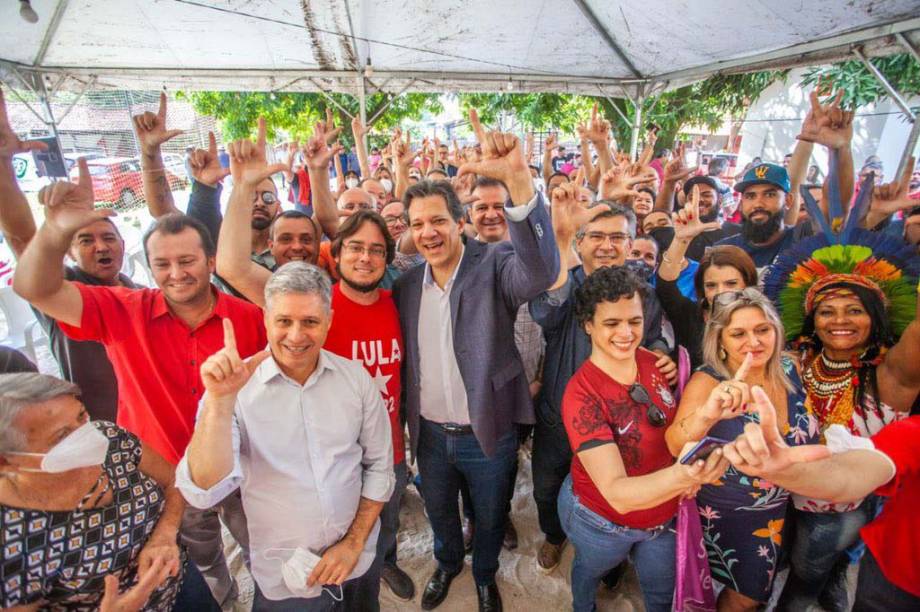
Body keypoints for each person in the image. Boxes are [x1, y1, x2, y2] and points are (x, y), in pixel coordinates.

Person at [12, 159, 266, 608]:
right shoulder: (121, 309)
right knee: (201, 560)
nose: (176, 273)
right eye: (162, 264)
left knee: (260, 543)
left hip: (246, 465)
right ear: (148, 266)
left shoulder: (249, 317)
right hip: (168, 473)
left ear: (211, 261)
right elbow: (35, 287)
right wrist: (55, 231)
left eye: (187, 261)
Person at [392, 109, 559, 612]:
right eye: (417, 224)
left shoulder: (495, 264)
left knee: (490, 515)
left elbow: (543, 269)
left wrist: (520, 183)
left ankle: (484, 576)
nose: (428, 232)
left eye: (438, 220)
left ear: (460, 222)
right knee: (441, 515)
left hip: (488, 431)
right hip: (428, 431)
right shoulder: (404, 285)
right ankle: (447, 566)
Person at [176, 263, 394, 611]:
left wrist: (353, 543)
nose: (296, 336)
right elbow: (203, 489)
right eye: (284, 321)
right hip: (286, 572)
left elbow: (380, 467)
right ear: (266, 320)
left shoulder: (356, 380)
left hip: (357, 558)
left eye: (310, 322)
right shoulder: (235, 391)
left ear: (329, 321)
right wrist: (218, 402)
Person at [762, 218, 920, 611]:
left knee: (803, 579)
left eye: (854, 310)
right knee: (774, 563)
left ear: (876, 317)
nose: (839, 321)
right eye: (827, 311)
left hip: (835, 510)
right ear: (812, 319)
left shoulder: (889, 374)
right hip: (778, 495)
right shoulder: (796, 358)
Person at [559, 266, 728, 612]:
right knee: (589, 571)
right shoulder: (581, 395)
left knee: (663, 595)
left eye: (634, 321)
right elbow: (618, 494)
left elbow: (671, 429)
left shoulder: (652, 362)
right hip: (603, 522)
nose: (626, 333)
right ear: (587, 325)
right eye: (611, 323)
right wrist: (686, 477)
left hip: (665, 517)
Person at [529, 187, 674, 574]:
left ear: (631, 242)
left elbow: (657, 332)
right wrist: (560, 243)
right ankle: (555, 536)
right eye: (596, 235)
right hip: (559, 418)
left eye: (617, 236)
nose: (607, 245)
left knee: (614, 490)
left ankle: (607, 555)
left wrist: (663, 354)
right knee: (546, 486)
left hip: (622, 427)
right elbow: (545, 313)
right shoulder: (565, 280)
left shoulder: (643, 290)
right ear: (580, 239)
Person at [664, 288, 819, 611]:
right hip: (726, 513)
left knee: (762, 585)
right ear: (720, 341)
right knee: (748, 596)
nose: (754, 341)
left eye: (762, 329)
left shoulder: (791, 369)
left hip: (782, 508)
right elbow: (675, 443)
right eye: (739, 333)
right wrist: (709, 412)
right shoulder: (709, 381)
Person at [0, 87, 135, 422]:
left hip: (144, 425)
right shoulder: (63, 291)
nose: (101, 246)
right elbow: (22, 240)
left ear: (122, 244)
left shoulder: (135, 291)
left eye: (108, 238)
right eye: (86, 240)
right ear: (71, 253)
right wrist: (4, 164)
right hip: (96, 427)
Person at [721, 390, 920, 612]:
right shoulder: (914, 433)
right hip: (896, 578)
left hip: (839, 519)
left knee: (809, 573)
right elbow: (849, 473)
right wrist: (784, 471)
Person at [0, 373, 185, 610]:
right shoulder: (10, 538)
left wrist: (165, 533)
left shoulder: (111, 439)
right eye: (63, 436)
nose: (88, 438)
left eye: (81, 416)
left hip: (181, 584)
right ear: (7, 461)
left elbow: (173, 481)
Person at [656, 193, 759, 368]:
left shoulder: (763, 319)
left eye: (731, 283)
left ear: (747, 283)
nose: (721, 291)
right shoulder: (691, 316)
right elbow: (666, 287)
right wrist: (681, 240)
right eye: (711, 285)